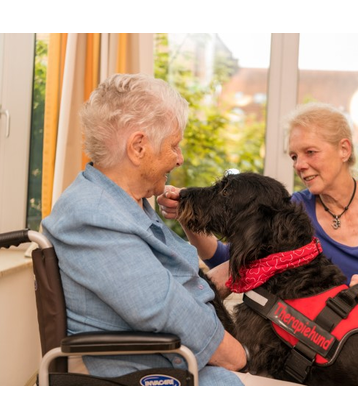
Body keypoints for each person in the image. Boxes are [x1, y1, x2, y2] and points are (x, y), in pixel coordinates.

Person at [160, 102, 358, 363]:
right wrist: (186, 216)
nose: (299, 164)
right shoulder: (293, 210)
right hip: (324, 338)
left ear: (344, 149)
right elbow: (232, 259)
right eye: (294, 156)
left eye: (310, 152)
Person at [41, 73, 246, 386]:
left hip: (186, 361)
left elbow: (178, 281)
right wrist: (244, 356)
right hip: (152, 374)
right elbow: (167, 310)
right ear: (138, 147)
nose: (179, 159)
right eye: (173, 146)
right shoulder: (92, 215)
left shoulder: (124, 203)